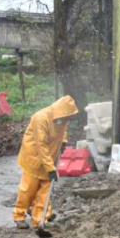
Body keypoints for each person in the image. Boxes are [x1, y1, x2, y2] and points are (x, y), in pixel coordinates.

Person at [13, 96, 79, 229]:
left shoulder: (62, 119)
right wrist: (51, 168)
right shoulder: (41, 118)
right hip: (33, 158)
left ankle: (40, 219)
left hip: (49, 158)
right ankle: (19, 215)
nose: (68, 120)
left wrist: (64, 141)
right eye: (67, 117)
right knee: (28, 190)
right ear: (61, 111)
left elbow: (62, 132)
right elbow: (41, 145)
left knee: (45, 190)